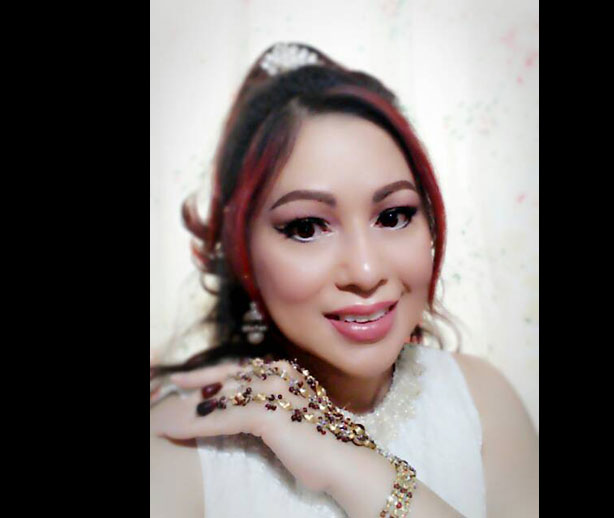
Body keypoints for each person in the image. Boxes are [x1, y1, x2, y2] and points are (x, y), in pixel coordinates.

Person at [150, 42, 538, 518]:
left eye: (393, 216)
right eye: (306, 227)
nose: (367, 272)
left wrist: (350, 465)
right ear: (242, 251)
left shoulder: (482, 400)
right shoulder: (185, 448)